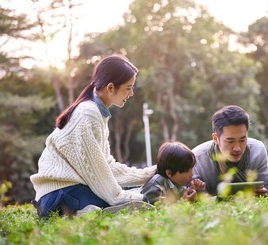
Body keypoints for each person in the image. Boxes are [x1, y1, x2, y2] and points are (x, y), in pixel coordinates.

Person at [30, 54, 156, 218]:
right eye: (128, 87)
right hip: (59, 195)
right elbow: (97, 172)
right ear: (110, 88)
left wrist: (147, 174)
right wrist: (123, 198)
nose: (131, 93)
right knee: (132, 202)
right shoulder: (87, 113)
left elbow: (106, 165)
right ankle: (83, 214)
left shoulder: (98, 113)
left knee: (133, 197)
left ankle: (89, 211)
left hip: (67, 192)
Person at [192, 105, 268, 196]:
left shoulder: (258, 151)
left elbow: (267, 188)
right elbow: (191, 196)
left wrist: (262, 192)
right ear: (215, 138)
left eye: (242, 140)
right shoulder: (197, 158)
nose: (237, 148)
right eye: (230, 141)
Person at [140, 141, 206, 205]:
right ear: (169, 173)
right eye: (186, 171)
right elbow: (157, 211)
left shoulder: (182, 183)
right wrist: (183, 202)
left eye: (191, 169)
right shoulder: (156, 185)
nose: (191, 174)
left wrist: (197, 191)